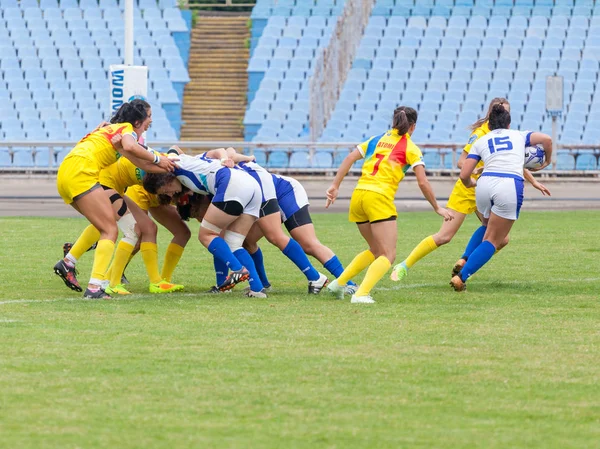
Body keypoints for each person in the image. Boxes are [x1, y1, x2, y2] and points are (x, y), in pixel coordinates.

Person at [390, 98, 551, 282]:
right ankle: (404, 265)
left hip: (488, 189)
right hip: (468, 190)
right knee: (445, 236)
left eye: (505, 110)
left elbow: (512, 163)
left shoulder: (506, 135)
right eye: (500, 110)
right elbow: (462, 162)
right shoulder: (480, 134)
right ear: (491, 114)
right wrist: (476, 172)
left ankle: (465, 262)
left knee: (501, 239)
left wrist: (533, 181)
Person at [324, 106, 453, 304]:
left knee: (375, 249)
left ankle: (338, 284)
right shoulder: (410, 148)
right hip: (379, 198)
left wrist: (334, 185)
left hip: (358, 195)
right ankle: (361, 294)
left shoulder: (376, 139)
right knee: (388, 254)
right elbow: (422, 181)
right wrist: (437, 207)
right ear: (413, 126)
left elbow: (350, 157)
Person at [53, 100, 176, 299]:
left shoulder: (111, 133)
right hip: (83, 172)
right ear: (137, 121)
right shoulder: (126, 130)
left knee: (102, 224)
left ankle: (69, 263)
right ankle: (95, 287)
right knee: (109, 230)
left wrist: (166, 166)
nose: (151, 120)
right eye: (149, 116)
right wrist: (157, 159)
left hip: (66, 172)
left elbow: (137, 160)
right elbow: (132, 147)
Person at [450, 104, 552, 291]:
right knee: (494, 239)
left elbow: (464, 174)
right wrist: (547, 161)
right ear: (508, 124)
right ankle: (461, 278)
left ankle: (464, 259)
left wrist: (472, 184)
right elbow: (547, 139)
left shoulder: (482, 140)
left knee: (486, 226)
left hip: (484, 183)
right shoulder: (519, 135)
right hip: (509, 185)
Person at [142, 150, 268, 297]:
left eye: (165, 190)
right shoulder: (191, 162)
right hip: (253, 187)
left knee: (206, 235)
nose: (170, 194)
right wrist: (227, 158)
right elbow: (216, 153)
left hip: (232, 184)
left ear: (165, 179)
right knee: (233, 243)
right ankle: (257, 289)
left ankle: (237, 269)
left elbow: (139, 151)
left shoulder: (174, 164)